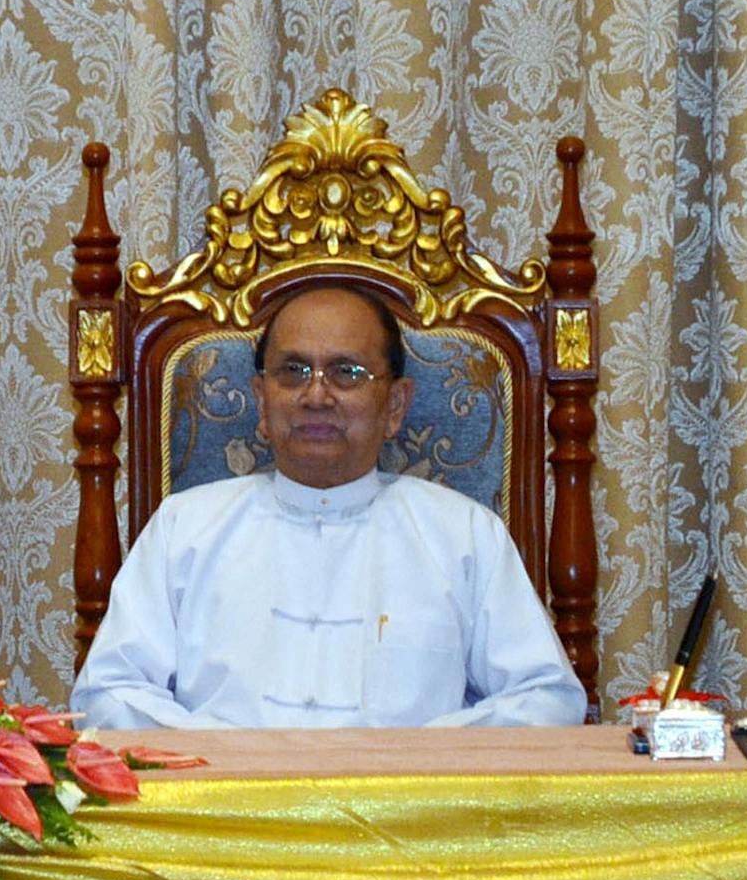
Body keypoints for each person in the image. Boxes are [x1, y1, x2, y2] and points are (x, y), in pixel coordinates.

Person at [70, 284, 585, 729]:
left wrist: (415, 758)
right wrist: (225, 757)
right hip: (230, 824)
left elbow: (547, 698)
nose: (316, 396)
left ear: (396, 406)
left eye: (347, 372)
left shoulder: (465, 534)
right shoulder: (185, 528)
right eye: (293, 372)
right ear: (261, 399)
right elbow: (107, 695)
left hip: (405, 825)